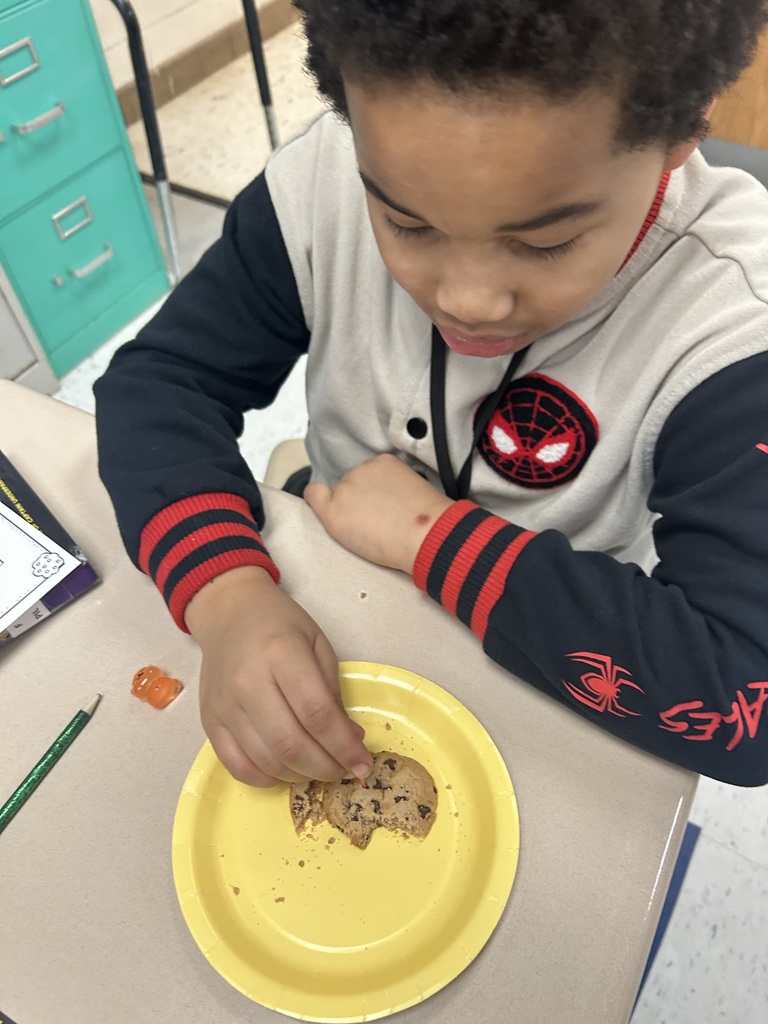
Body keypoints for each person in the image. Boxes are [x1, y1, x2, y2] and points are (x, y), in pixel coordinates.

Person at [95, 0, 768, 789]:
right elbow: (162, 383)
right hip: (338, 591)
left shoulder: (731, 324)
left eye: (546, 240)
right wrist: (225, 592)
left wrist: (434, 537)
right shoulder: (322, 182)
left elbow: (739, 701)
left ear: (684, 126)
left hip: (566, 652)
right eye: (407, 224)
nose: (468, 301)